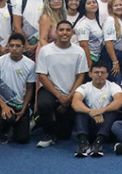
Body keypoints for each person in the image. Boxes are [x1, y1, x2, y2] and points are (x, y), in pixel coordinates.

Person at [35, 20, 89, 149]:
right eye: (61, 30)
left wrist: (69, 97)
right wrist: (59, 96)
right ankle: (48, 133)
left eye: (68, 30)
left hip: (71, 93)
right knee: (44, 104)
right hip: (51, 91)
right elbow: (42, 75)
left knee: (64, 135)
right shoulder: (45, 50)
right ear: (56, 32)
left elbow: (81, 75)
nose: (64, 33)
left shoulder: (79, 51)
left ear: (72, 33)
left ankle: (57, 124)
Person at [0, 32, 36, 145]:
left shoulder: (30, 64)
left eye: (18, 46)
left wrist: (24, 108)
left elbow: (29, 89)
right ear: (8, 46)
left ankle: (22, 122)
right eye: (12, 45)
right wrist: (3, 106)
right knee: (7, 117)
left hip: (19, 105)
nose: (14, 49)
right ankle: (2, 129)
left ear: (23, 48)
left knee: (22, 139)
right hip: (2, 104)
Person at [72, 62, 122, 158]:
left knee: (112, 111)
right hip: (90, 126)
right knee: (80, 111)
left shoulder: (113, 86)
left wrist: (101, 111)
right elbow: (75, 103)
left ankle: (98, 143)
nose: (100, 75)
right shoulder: (84, 87)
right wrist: (91, 112)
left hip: (106, 128)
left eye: (103, 73)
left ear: (107, 74)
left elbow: (119, 101)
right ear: (90, 74)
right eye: (96, 72)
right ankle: (84, 143)